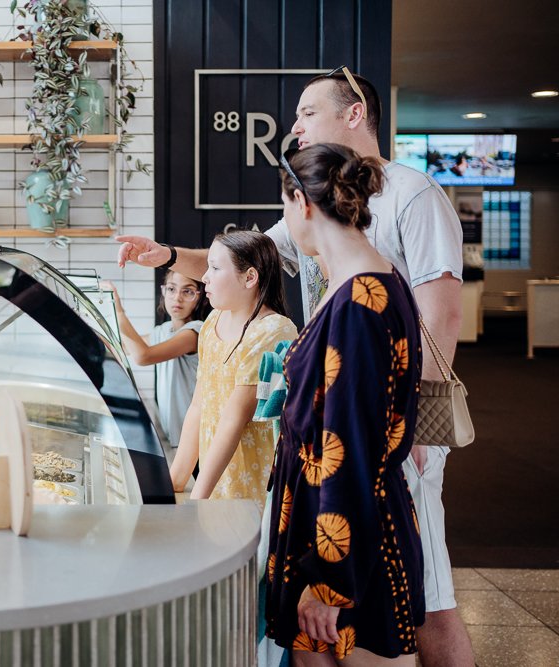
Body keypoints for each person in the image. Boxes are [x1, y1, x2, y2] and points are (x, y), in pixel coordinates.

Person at [115, 69, 470, 667]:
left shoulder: (407, 206)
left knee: (430, 603)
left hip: (369, 492)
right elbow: (252, 251)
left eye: (307, 112)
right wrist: (172, 256)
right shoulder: (343, 253)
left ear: (354, 113)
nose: (296, 125)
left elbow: (442, 313)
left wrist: (412, 428)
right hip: (338, 502)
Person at [265, 143, 424, 664]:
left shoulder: (359, 302)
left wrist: (330, 580)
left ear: (302, 204)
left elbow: (349, 448)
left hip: (348, 548)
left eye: (284, 207)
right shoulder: (355, 286)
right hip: (332, 531)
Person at [171, 231, 297, 506]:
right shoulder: (212, 321)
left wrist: (196, 501)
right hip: (214, 484)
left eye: (215, 268)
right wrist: (176, 482)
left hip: (254, 493)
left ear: (250, 278)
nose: (204, 277)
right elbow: (199, 406)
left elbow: (234, 419)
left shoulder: (274, 330)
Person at [103, 271, 210, 447]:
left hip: (195, 440)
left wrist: (119, 311)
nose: (177, 298)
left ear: (200, 297)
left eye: (188, 291)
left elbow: (143, 356)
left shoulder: (194, 332)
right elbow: (125, 347)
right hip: (177, 438)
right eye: (171, 289)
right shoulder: (163, 331)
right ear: (164, 292)